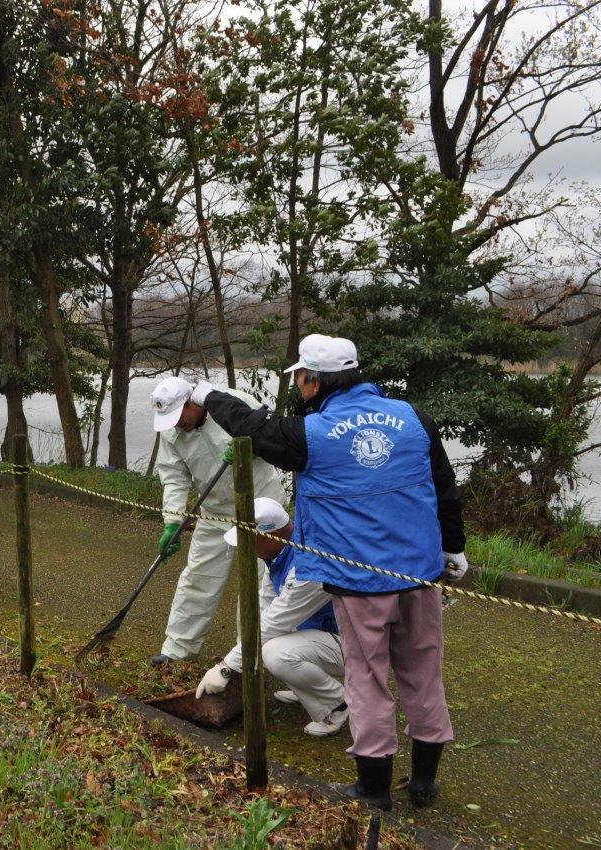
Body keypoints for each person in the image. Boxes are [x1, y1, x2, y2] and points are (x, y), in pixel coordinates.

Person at [190, 333, 468, 811]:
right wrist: (454, 548)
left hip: (361, 584)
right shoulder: (413, 418)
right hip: (420, 575)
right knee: (423, 674)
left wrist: (206, 395)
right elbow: (444, 486)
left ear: (314, 381)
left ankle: (374, 789)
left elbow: (251, 426)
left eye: (300, 377)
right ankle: (424, 784)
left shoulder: (309, 436)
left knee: (367, 678)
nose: (298, 387)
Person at [147, 376, 287, 666]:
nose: (176, 424)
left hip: (260, 506)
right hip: (214, 512)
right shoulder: (172, 431)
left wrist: (248, 448)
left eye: (179, 416)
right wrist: (173, 520)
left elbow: (273, 438)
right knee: (198, 579)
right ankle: (177, 650)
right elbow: (174, 476)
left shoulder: (233, 403)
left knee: (262, 585)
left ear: (192, 403)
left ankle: (250, 657)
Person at [193, 497, 348, 738]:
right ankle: (306, 689)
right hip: (319, 635)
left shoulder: (308, 566)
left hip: (351, 644)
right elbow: (265, 606)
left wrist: (226, 667)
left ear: (270, 535)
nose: (244, 548)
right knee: (262, 638)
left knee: (276, 653)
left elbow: (274, 622)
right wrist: (242, 663)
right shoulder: (277, 555)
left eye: (249, 540)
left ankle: (337, 705)